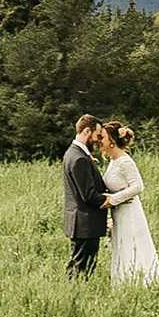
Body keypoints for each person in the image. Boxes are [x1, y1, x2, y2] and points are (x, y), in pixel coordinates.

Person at [100, 121, 159, 285]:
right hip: (118, 212)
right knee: (121, 246)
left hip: (129, 212)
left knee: (132, 246)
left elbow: (138, 186)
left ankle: (141, 282)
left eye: (103, 137)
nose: (100, 140)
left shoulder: (124, 161)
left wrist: (113, 199)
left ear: (112, 141)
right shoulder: (113, 161)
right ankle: (123, 283)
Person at [62, 114, 111, 278]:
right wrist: (114, 200)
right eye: (97, 135)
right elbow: (89, 195)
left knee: (79, 267)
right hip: (85, 224)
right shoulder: (78, 158)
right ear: (87, 131)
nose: (98, 140)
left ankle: (74, 296)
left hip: (81, 223)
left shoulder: (74, 153)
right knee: (82, 270)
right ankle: (75, 299)